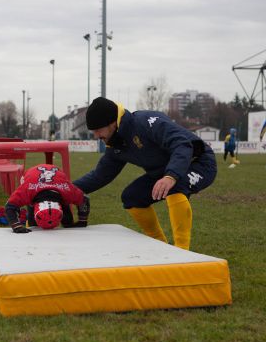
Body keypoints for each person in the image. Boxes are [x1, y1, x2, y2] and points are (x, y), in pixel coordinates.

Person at [73, 97, 217, 250]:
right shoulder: (115, 144)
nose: (96, 135)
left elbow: (182, 145)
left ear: (112, 123)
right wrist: (65, 189)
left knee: (175, 187)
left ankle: (182, 252)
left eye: (98, 130)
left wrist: (171, 176)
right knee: (131, 197)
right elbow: (99, 176)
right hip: (166, 171)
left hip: (199, 162)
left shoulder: (147, 122)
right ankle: (159, 245)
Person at [5, 164, 90, 233]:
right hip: (31, 177)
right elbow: (10, 206)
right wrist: (16, 226)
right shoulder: (27, 190)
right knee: (33, 225)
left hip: (56, 182)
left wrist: (82, 222)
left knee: (67, 222)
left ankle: (66, 222)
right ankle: (33, 221)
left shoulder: (67, 190)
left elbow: (84, 200)